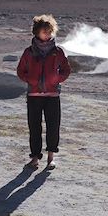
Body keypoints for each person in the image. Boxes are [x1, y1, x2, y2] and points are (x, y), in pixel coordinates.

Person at [16, 14, 71, 170]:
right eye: (44, 31)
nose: (47, 33)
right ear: (36, 32)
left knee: (53, 126)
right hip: (34, 95)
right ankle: (34, 158)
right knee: (34, 127)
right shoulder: (28, 52)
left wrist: (56, 79)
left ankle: (51, 158)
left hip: (52, 95)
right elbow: (20, 71)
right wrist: (31, 80)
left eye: (49, 31)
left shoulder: (58, 51)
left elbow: (66, 69)